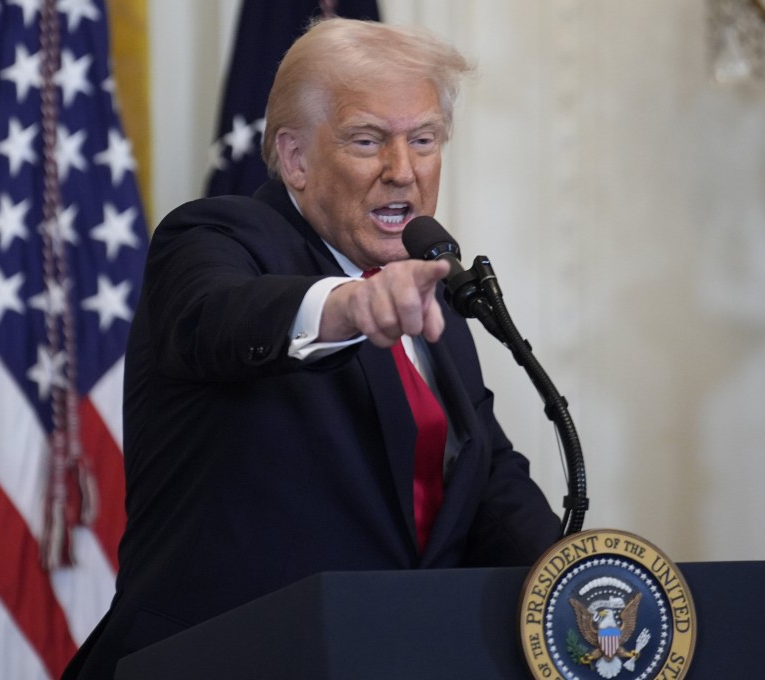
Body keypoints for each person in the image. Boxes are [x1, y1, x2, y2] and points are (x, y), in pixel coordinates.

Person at [63, 17, 560, 679]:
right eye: (367, 140)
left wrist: (586, 579)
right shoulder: (215, 238)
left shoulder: (429, 300)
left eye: (424, 140)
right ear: (295, 158)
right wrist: (349, 304)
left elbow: (489, 480)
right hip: (222, 662)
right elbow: (219, 318)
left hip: (394, 658)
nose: (402, 171)